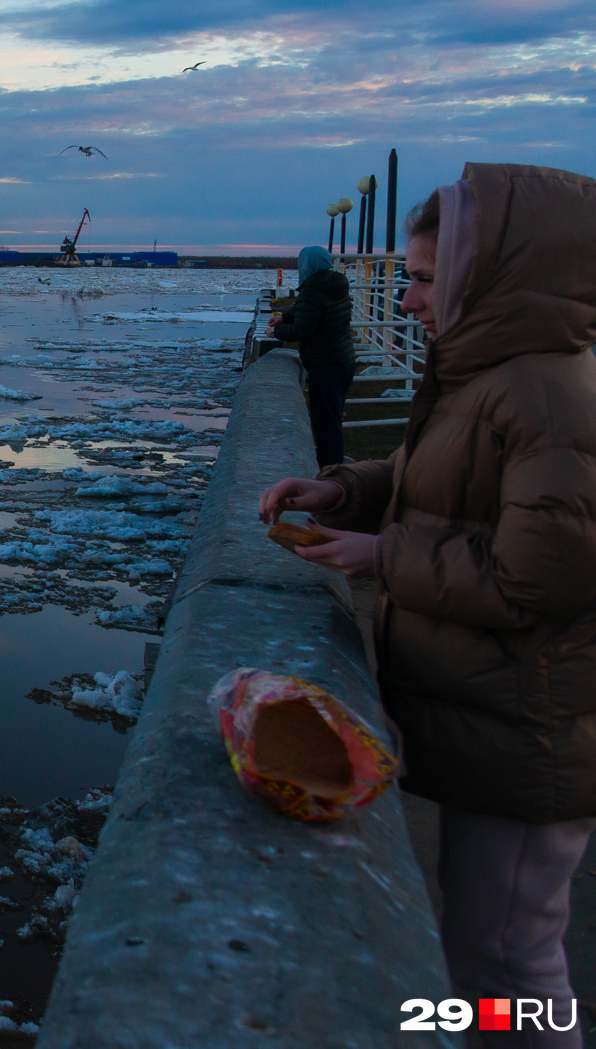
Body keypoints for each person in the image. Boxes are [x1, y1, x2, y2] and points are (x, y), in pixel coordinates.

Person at [258, 163, 596, 1046]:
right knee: (483, 950)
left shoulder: (548, 396)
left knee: (513, 961)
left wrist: (382, 555)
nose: (403, 300)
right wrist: (342, 491)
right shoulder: (487, 376)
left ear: (492, 279)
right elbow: (433, 490)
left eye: (420, 279)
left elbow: (541, 577)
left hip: (533, 728)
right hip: (494, 712)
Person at [268, 245, 356, 467]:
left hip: (326, 365)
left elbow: (303, 330)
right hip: (344, 361)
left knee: (326, 424)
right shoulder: (335, 285)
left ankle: (330, 473)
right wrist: (285, 317)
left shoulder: (312, 290)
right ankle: (333, 466)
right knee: (333, 419)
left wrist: (274, 332)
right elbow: (313, 312)